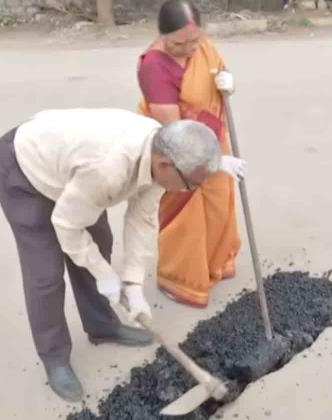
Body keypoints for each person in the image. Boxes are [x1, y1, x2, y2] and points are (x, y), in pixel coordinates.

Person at [0, 108, 245, 402]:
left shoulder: (162, 156)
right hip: (25, 171)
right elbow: (67, 226)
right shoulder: (108, 171)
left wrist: (133, 286)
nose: (191, 190)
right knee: (45, 273)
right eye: (191, 184)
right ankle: (55, 357)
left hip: (73, 171)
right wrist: (105, 276)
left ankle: (102, 326)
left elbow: (141, 221)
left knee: (99, 242)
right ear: (165, 165)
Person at [137, 0, 242, 308]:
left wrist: (227, 83)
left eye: (195, 41)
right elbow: (172, 131)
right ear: (162, 36)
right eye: (178, 44)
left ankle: (215, 262)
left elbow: (215, 72)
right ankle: (180, 279)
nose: (190, 49)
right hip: (180, 154)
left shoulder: (201, 46)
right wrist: (211, 162)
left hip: (213, 138)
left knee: (218, 204)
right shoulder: (154, 66)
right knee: (186, 216)